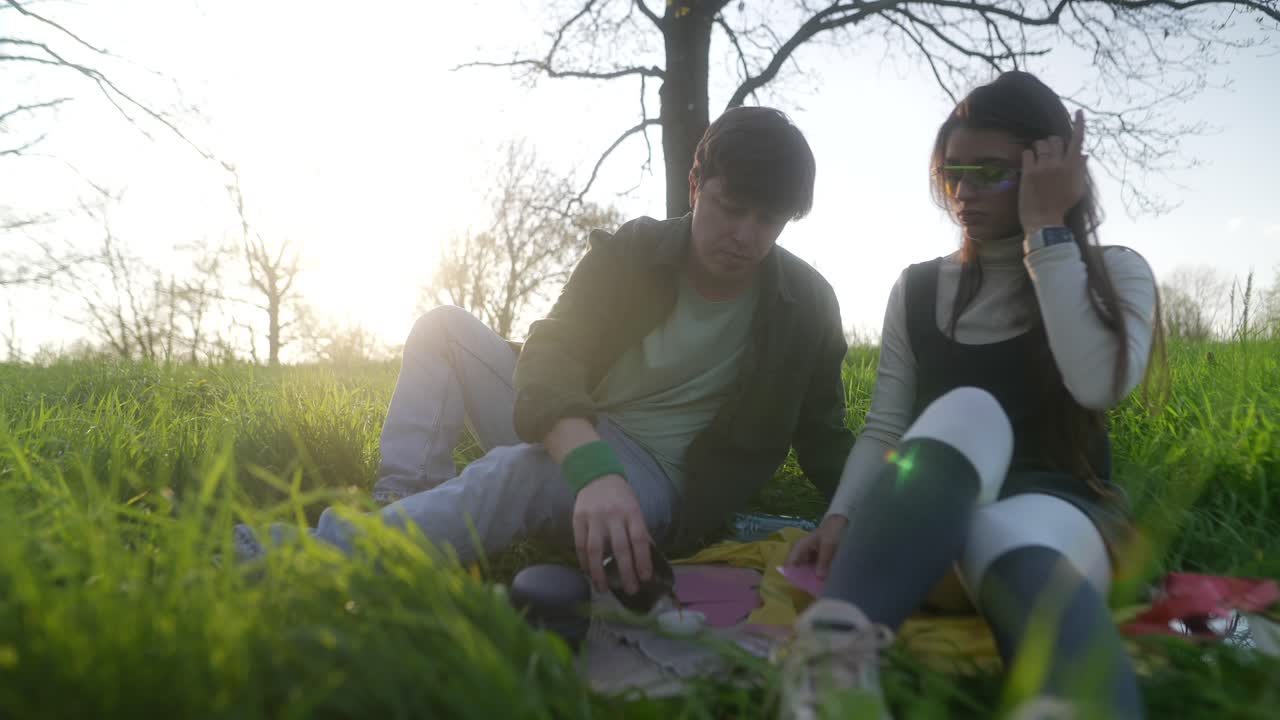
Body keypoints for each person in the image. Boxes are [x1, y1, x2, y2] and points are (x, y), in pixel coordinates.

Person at [235, 106, 856, 598]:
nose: (745, 235)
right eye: (730, 208)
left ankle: (298, 560)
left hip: (662, 481)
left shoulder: (807, 306)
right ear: (696, 186)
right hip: (577, 421)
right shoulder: (636, 250)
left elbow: (825, 436)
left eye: (767, 220)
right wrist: (591, 465)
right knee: (443, 327)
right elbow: (553, 346)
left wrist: (858, 515)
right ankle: (404, 508)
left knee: (518, 474)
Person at [779, 71, 1165, 720]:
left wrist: (1047, 232)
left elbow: (1098, 383)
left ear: (1049, 170)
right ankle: (829, 673)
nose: (963, 193)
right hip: (923, 535)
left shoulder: (1115, 272)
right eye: (953, 173)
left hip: (1057, 524)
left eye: (991, 173)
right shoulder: (918, 289)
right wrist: (840, 518)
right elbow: (885, 427)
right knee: (967, 410)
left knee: (1003, 526)